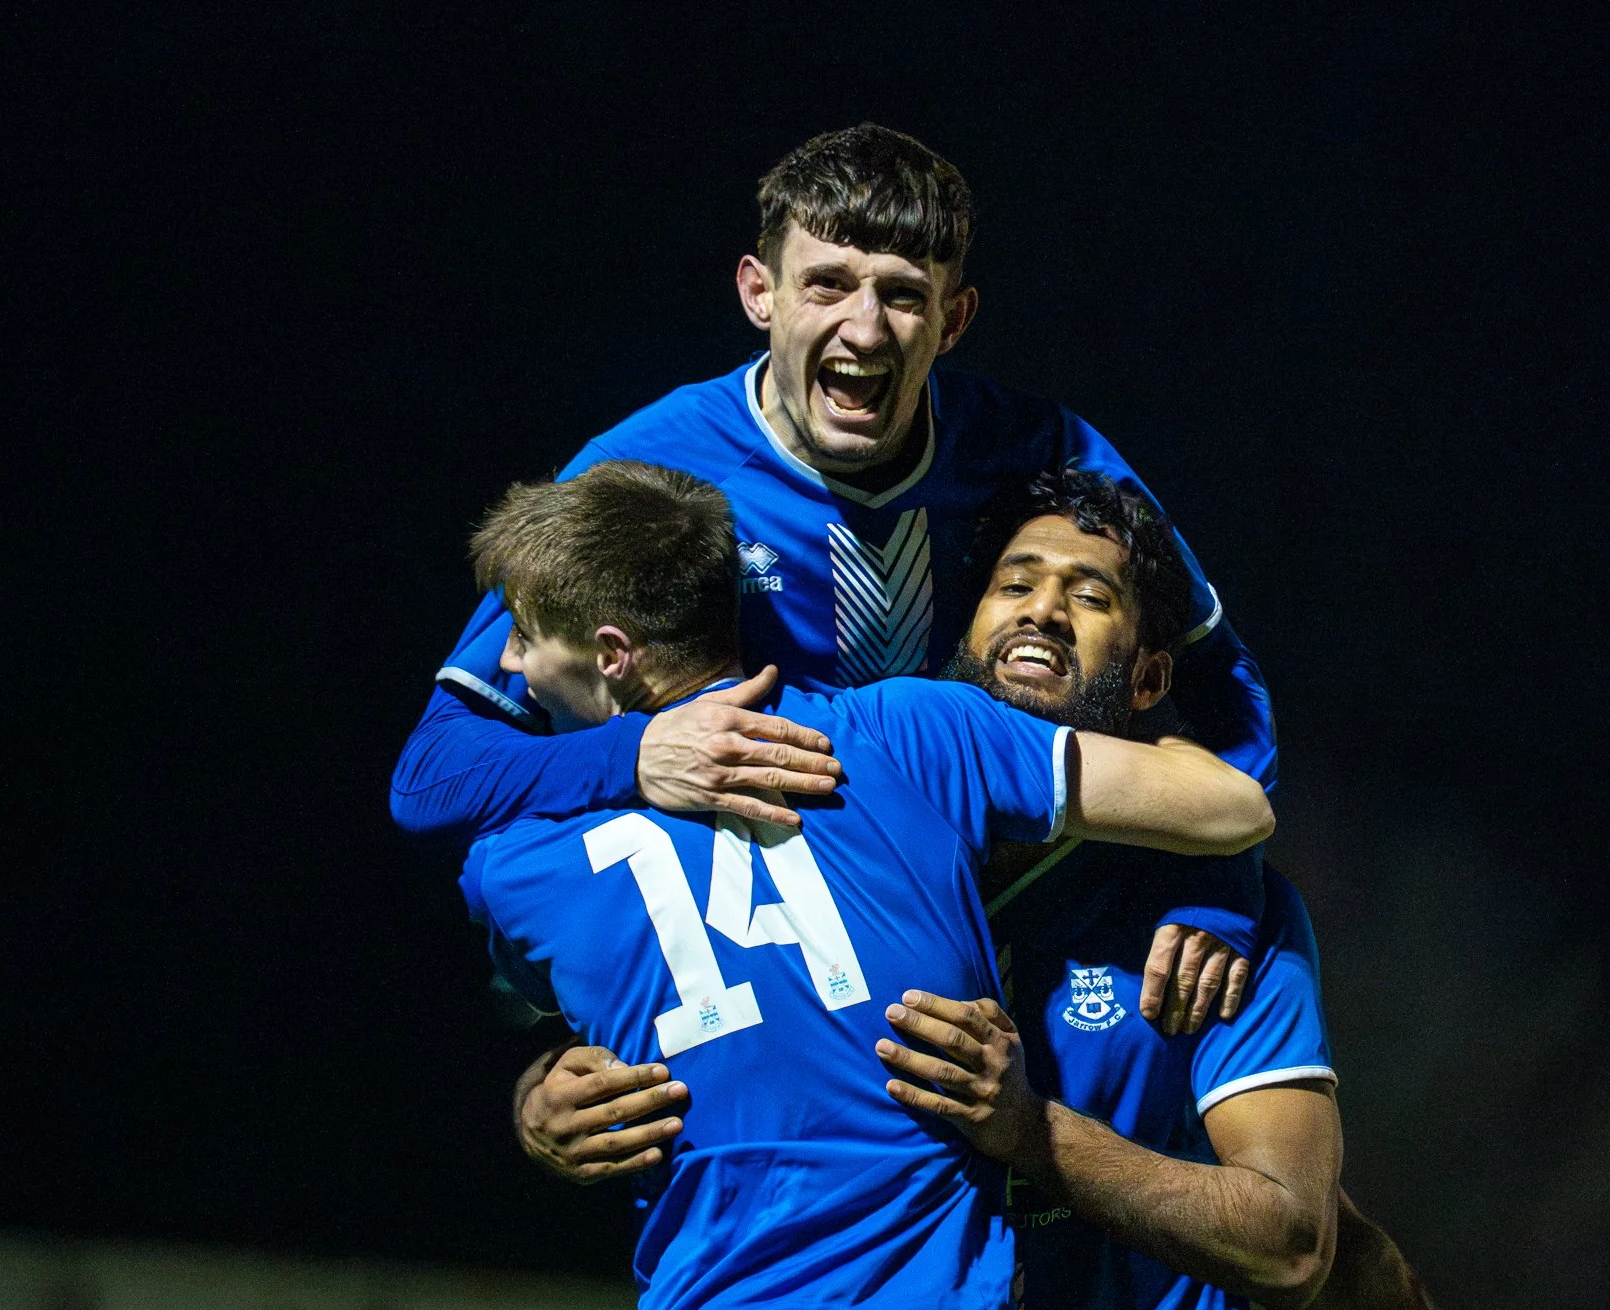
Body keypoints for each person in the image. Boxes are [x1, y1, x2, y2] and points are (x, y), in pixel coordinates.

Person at [520, 469, 1468, 1310]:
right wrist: (539, 1099)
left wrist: (1033, 1130)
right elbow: (678, 1000)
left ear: (1148, 681)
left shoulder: (1212, 926)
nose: (1043, 610)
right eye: (1014, 583)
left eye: (1090, 597)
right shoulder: (833, 816)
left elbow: (1297, 1247)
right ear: (960, 635)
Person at [390, 123, 1273, 1023]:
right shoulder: (643, 475)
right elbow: (435, 768)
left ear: (955, 319)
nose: (865, 327)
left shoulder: (1043, 449)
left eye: (903, 295)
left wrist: (1221, 888)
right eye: (827, 284)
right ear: (758, 292)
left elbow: (1222, 686)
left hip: (1004, 912)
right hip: (756, 971)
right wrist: (635, 755)